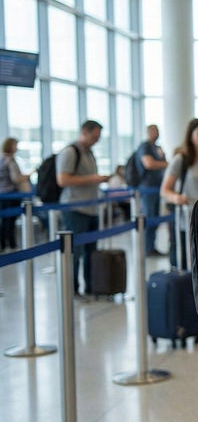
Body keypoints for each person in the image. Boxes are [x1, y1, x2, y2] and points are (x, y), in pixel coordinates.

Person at [57, 120, 110, 296]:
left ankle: (91, 287)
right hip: (75, 209)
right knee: (75, 252)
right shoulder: (70, 152)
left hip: (91, 208)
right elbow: (63, 180)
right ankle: (71, 290)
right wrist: (93, 179)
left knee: (90, 252)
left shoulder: (90, 153)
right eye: (94, 136)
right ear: (84, 132)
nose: (97, 140)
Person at [160, 119, 198, 268]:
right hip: (187, 218)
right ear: (191, 137)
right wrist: (176, 198)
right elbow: (164, 190)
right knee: (187, 262)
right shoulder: (181, 159)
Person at [137, 124, 168, 255]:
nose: (157, 133)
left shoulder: (157, 148)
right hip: (147, 187)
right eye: (154, 131)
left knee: (154, 218)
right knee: (149, 217)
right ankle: (147, 248)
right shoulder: (145, 146)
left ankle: (151, 246)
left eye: (158, 131)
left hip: (156, 187)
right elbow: (148, 164)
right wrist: (167, 164)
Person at [0, 138, 31, 250]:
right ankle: (11, 243)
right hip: (11, 194)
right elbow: (15, 178)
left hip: (2, 194)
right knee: (10, 221)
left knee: (4, 220)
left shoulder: (1, 159)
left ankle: (3, 244)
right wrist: (26, 176)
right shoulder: (10, 160)